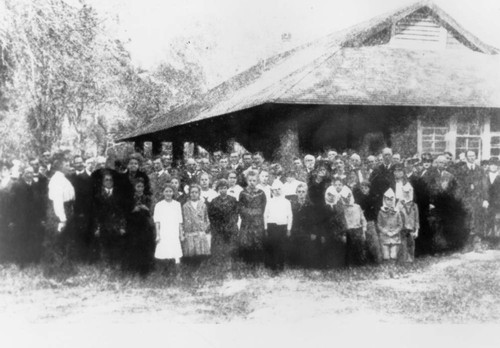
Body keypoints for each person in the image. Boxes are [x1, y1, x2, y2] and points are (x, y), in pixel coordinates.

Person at [43, 155, 76, 276]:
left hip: (66, 210)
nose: (69, 166)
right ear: (60, 166)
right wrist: (62, 219)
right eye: (67, 165)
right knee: (56, 243)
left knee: (64, 243)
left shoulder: (63, 179)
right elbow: (57, 202)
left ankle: (64, 270)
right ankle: (53, 273)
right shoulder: (56, 180)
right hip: (58, 214)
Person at [7, 166, 47, 266]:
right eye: (28, 173)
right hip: (21, 217)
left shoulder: (36, 185)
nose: (30, 175)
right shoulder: (17, 185)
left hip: (34, 217)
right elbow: (12, 203)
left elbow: (41, 202)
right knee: (21, 238)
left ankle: (32, 259)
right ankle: (21, 261)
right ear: (23, 173)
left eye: (32, 173)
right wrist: (12, 219)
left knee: (33, 237)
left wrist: (42, 217)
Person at [93, 171, 132, 267]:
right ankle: (106, 266)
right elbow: (95, 213)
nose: (109, 182)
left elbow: (122, 212)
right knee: (104, 245)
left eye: (110, 180)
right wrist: (97, 228)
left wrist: (122, 227)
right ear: (102, 182)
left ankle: (116, 265)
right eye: (106, 180)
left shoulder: (119, 195)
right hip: (103, 225)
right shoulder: (98, 195)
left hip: (116, 225)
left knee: (116, 245)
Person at [123, 178, 156, 276]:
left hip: (145, 226)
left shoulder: (147, 198)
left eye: (142, 186)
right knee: (134, 246)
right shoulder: (130, 198)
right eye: (138, 186)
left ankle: (145, 270)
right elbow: (125, 212)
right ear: (134, 187)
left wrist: (146, 208)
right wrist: (134, 209)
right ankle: (133, 269)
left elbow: (152, 211)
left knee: (145, 247)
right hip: (133, 226)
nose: (140, 189)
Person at [457, 150, 488, 250]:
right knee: (466, 221)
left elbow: (485, 186)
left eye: (473, 156)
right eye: (469, 156)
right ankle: (466, 245)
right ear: (466, 157)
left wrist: (485, 199)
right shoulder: (461, 170)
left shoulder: (480, 170)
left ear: (476, 157)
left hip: (478, 200)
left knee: (477, 221)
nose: (471, 158)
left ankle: (477, 245)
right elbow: (458, 186)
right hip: (466, 200)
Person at [68, 155, 96, 262]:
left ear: (83, 163)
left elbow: (90, 196)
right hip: (74, 210)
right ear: (74, 164)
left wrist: (84, 211)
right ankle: (77, 257)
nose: (79, 164)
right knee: (76, 234)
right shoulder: (71, 177)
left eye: (80, 162)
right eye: (77, 162)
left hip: (86, 210)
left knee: (87, 233)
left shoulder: (89, 177)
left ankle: (87, 258)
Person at [238, 170, 267, 265]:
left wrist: (256, 213)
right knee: (246, 240)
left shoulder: (261, 193)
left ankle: (257, 260)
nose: (252, 182)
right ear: (247, 181)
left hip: (257, 221)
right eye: (250, 180)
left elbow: (263, 207)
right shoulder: (243, 193)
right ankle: (247, 260)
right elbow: (241, 207)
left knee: (257, 239)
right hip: (246, 221)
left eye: (254, 180)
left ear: (257, 181)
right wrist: (248, 214)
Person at [263, 180, 292, 272]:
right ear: (272, 191)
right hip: (272, 226)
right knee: (272, 245)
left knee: (281, 246)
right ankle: (273, 265)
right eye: (274, 190)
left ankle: (281, 264)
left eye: (279, 189)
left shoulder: (287, 202)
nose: (277, 191)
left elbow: (290, 216)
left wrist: (288, 229)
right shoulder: (270, 201)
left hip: (282, 226)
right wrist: (266, 228)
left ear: (282, 190)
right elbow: (265, 215)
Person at [208, 179, 239, 263]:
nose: (223, 190)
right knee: (219, 244)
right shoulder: (214, 201)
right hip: (219, 227)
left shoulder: (233, 200)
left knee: (230, 245)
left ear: (227, 188)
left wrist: (231, 223)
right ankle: (219, 260)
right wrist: (218, 226)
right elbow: (211, 216)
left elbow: (236, 213)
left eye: (225, 188)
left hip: (230, 226)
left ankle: (231, 260)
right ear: (218, 189)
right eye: (221, 188)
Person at [154, 185, 184, 270]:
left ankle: (177, 273)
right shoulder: (159, 205)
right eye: (166, 191)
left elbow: (179, 221)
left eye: (170, 191)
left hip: (174, 231)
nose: (168, 193)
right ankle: (164, 271)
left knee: (175, 252)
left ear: (173, 193)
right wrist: (158, 234)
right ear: (163, 193)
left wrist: (181, 234)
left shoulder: (177, 204)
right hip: (164, 231)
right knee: (164, 251)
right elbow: (157, 221)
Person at [316, 186, 347, 269]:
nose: (331, 197)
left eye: (333, 195)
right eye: (329, 195)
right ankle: (327, 266)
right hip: (327, 233)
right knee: (327, 249)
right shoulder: (322, 207)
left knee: (338, 248)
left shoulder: (339, 207)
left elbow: (342, 221)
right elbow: (320, 223)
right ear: (326, 195)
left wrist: (344, 233)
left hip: (338, 232)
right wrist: (322, 235)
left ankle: (339, 266)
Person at [353, 181, 382, 264]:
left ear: (369, 188)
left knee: (374, 241)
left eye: (366, 188)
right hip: (362, 221)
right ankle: (367, 260)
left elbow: (374, 210)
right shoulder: (359, 199)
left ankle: (378, 259)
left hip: (370, 221)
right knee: (364, 241)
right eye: (362, 188)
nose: (364, 190)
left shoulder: (373, 197)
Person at [289, 183, 317, 268]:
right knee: (295, 247)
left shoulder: (311, 205)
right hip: (295, 229)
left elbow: (314, 221)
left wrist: (313, 232)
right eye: (299, 192)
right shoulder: (292, 205)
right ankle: (294, 264)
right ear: (296, 193)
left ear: (306, 193)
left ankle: (305, 264)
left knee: (306, 247)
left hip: (306, 230)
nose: (301, 193)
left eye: (303, 192)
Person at [338, 186, 367, 267]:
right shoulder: (341, 208)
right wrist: (343, 233)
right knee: (348, 249)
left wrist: (364, 230)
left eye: (348, 196)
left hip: (357, 230)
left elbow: (363, 219)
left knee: (359, 248)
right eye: (344, 197)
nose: (346, 199)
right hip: (347, 231)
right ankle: (349, 264)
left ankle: (360, 264)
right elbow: (341, 222)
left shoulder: (357, 207)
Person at [182, 185, 211, 262]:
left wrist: (203, 228)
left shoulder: (203, 205)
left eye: (196, 192)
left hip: (200, 234)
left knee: (201, 257)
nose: (194, 194)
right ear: (189, 193)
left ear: (199, 194)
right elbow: (183, 220)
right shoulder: (185, 206)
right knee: (191, 258)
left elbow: (206, 219)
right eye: (192, 192)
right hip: (190, 234)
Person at [377, 188, 403, 262]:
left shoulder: (397, 212)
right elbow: (379, 224)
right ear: (384, 200)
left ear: (394, 200)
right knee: (386, 256)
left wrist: (394, 232)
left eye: (391, 199)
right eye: (387, 199)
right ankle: (387, 268)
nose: (389, 202)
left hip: (395, 237)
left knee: (393, 255)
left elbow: (400, 225)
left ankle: (393, 268)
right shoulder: (381, 212)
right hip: (385, 236)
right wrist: (386, 232)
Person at [396, 183, 419, 263]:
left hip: (411, 229)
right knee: (402, 245)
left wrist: (416, 230)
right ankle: (402, 260)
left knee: (411, 244)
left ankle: (410, 259)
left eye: (408, 192)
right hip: (402, 228)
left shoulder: (414, 205)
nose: (406, 194)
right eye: (405, 192)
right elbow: (396, 216)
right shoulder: (399, 204)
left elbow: (416, 219)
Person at [370, 147, 395, 213]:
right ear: (382, 156)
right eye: (385, 155)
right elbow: (372, 186)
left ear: (392, 156)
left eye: (389, 155)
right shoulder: (377, 170)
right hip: (380, 202)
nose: (387, 157)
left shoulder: (396, 169)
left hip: (394, 202)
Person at [484, 157, 500, 247]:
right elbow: (482, 189)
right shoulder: (484, 176)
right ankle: (489, 241)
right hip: (487, 202)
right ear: (489, 166)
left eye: (495, 165)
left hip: (498, 203)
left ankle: (497, 242)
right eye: (491, 164)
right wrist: (484, 200)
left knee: (498, 221)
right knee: (488, 220)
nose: (493, 166)